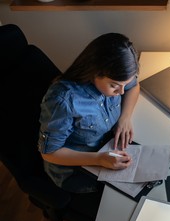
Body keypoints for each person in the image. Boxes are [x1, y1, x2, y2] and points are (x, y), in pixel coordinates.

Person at [38, 33, 140, 193]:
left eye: (123, 84)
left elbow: (133, 87)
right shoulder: (63, 101)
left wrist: (125, 117)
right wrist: (99, 159)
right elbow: (49, 153)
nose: (121, 92)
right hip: (75, 169)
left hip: (105, 147)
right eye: (114, 86)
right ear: (94, 72)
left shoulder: (116, 78)